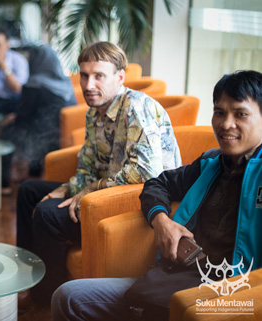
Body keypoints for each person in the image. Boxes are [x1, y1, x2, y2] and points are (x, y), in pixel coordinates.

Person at [52, 70, 262, 321]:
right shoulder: (211, 163)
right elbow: (157, 184)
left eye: (240, 114)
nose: (227, 124)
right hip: (173, 278)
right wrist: (161, 221)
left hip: (230, 298)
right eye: (219, 112)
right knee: (68, 297)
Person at [16, 41, 182, 309]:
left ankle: (44, 301)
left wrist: (92, 188)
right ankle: (27, 278)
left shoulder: (135, 107)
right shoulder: (96, 111)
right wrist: (69, 188)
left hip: (136, 204)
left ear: (119, 77)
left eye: (98, 76)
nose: (88, 85)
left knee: (47, 213)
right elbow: (88, 166)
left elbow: (146, 172)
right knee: (29, 191)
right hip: (107, 191)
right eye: (84, 75)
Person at [0, 45, 76, 194]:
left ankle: (4, 183)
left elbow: (23, 116)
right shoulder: (64, 82)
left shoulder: (34, 84)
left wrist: (12, 119)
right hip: (63, 132)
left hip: (41, 133)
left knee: (7, 131)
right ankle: (33, 172)